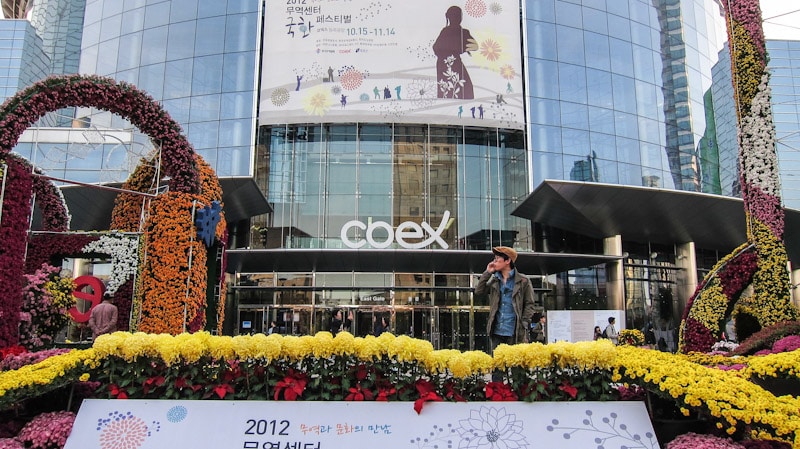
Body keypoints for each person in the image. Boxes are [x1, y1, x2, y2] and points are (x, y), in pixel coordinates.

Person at [476, 246, 536, 357]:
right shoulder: (494, 280)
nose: (494, 262)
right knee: (497, 369)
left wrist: (524, 323)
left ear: (507, 261)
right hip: (497, 331)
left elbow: (530, 304)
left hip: (515, 332)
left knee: (515, 367)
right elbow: (479, 291)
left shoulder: (523, 281)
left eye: (497, 259)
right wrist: (487, 273)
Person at [432, 5, 478, 99]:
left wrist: (460, 48)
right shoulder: (447, 31)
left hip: (449, 61)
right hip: (446, 62)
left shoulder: (463, 31)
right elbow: (436, 48)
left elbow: (474, 46)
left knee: (464, 86)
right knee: (449, 88)